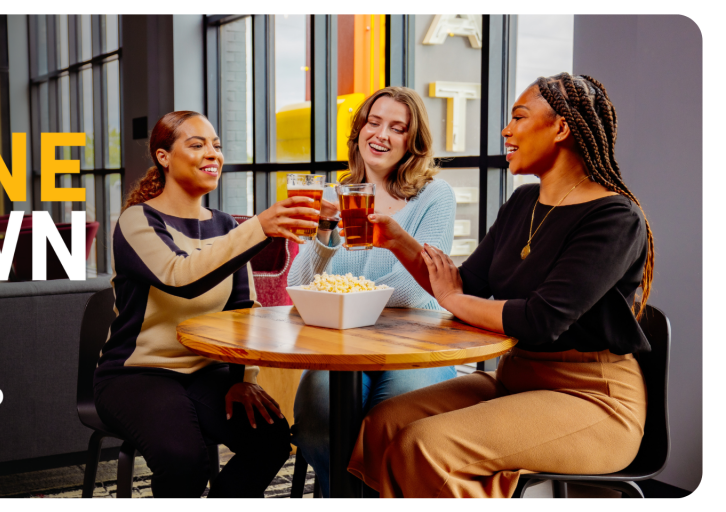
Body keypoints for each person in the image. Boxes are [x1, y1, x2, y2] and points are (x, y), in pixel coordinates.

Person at [347, 73, 654, 498]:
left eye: (519, 117)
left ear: (561, 128)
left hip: (592, 399)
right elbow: (462, 284)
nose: (506, 130)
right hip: (515, 380)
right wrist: (397, 241)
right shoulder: (523, 203)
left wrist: (454, 298)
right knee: (384, 423)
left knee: (426, 445)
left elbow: (539, 320)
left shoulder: (615, 218)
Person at [93, 111, 320, 498]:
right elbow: (180, 277)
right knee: (185, 460)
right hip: (137, 374)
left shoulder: (227, 226)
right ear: (163, 157)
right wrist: (259, 227)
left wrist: (242, 381)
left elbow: (242, 310)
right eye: (196, 145)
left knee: (272, 439)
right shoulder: (137, 220)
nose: (211, 153)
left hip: (207, 373)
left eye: (216, 145)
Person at [288, 87, 458, 497]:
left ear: (411, 143)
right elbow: (298, 285)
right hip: (345, 345)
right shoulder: (334, 196)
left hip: (418, 343)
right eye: (373, 122)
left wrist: (343, 294)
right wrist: (325, 234)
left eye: (397, 128)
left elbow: (415, 290)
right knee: (319, 423)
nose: (381, 135)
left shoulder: (435, 196)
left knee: (399, 428)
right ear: (359, 130)